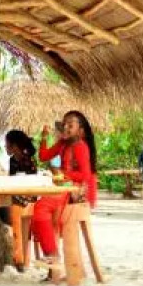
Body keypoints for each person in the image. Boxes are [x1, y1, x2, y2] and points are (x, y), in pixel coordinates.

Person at [32, 111, 98, 274]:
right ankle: (51, 256)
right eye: (64, 124)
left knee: (40, 207)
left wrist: (62, 173)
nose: (66, 128)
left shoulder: (80, 147)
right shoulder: (63, 144)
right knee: (37, 210)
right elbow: (43, 156)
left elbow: (85, 175)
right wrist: (44, 137)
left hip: (73, 192)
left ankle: (52, 255)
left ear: (80, 130)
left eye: (70, 125)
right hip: (63, 188)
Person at [0, 130, 38, 270]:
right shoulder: (13, 160)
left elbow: (30, 182)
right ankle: (19, 257)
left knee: (7, 208)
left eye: (7, 144)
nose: (5, 147)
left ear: (14, 146)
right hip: (17, 194)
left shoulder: (28, 160)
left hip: (27, 197)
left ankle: (19, 258)